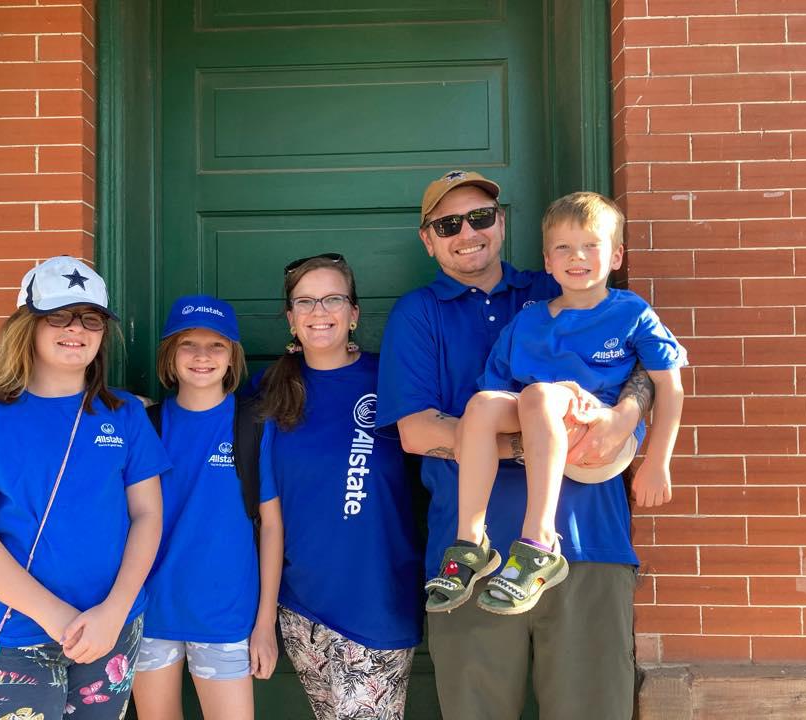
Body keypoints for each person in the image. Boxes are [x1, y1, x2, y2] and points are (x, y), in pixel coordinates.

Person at [376, 171, 655, 720]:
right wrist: (543, 446)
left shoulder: (558, 284)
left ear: (501, 223)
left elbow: (646, 363)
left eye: (480, 217)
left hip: (586, 543)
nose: (467, 233)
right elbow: (418, 432)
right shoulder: (419, 314)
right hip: (470, 565)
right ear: (428, 239)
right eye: (448, 224)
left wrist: (624, 416)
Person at [0, 256, 169, 719]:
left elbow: (147, 515)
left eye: (90, 318)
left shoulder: (126, 415)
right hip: (21, 627)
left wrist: (114, 612)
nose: (76, 328)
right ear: (27, 325)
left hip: (111, 625)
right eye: (58, 315)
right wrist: (57, 618)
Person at [424, 191, 686, 616]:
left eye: (591, 245)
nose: (576, 256)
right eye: (563, 247)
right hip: (543, 423)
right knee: (481, 406)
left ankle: (539, 542)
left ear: (616, 256)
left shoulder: (631, 312)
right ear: (548, 261)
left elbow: (669, 385)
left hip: (601, 438)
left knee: (542, 393)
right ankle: (472, 542)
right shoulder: (527, 321)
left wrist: (657, 462)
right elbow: (499, 397)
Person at [255, 253, 423, 720]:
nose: (319, 311)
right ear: (290, 319)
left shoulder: (390, 377)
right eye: (305, 302)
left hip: (377, 601)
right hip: (301, 607)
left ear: (354, 314)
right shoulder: (267, 389)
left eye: (333, 299)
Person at [131, 295, 283, 720]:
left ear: (232, 356)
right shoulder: (145, 425)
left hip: (227, 614)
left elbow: (271, 526)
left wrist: (264, 623)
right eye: (188, 344)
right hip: (150, 612)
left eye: (216, 345)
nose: (202, 356)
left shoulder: (254, 425)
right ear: (169, 355)